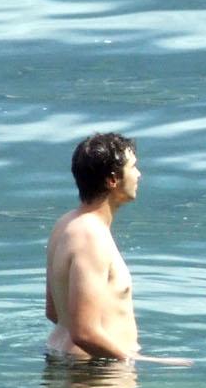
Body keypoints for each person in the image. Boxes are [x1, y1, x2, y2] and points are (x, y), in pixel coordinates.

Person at [45, 132, 187, 364]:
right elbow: (84, 333)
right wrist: (145, 361)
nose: (139, 175)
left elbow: (54, 312)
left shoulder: (66, 224)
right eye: (133, 167)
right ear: (113, 179)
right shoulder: (91, 237)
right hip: (92, 373)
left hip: (66, 362)